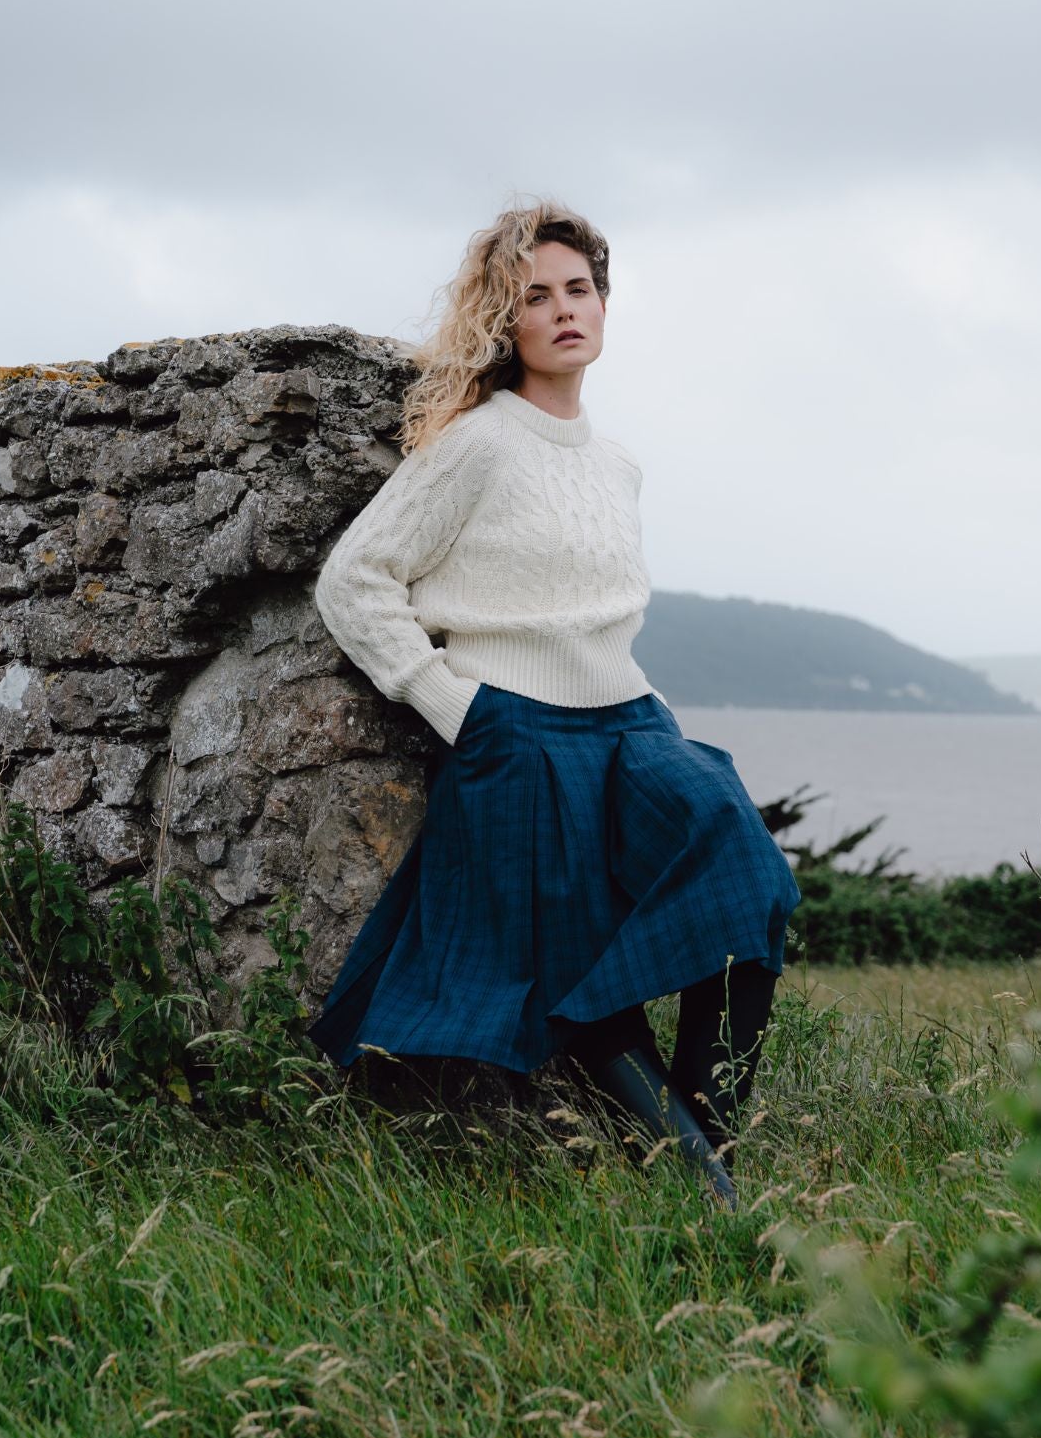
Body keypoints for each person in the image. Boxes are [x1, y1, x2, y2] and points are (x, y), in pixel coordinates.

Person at [303, 199, 801, 1207]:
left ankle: (709, 1145)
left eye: (580, 289)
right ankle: (711, 1196)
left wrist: (648, 718)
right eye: (537, 296)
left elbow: (598, 618)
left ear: (605, 306)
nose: (565, 309)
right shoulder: (478, 445)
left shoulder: (619, 466)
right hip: (516, 734)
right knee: (573, 976)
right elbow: (354, 580)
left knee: (751, 887)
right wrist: (451, 703)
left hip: (632, 725)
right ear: (506, 321)